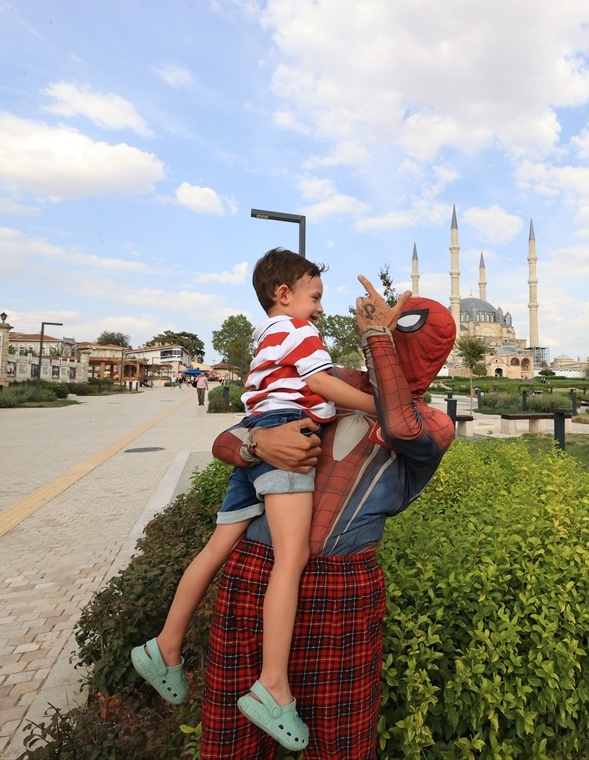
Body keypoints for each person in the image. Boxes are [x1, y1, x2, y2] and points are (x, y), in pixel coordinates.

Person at [200, 278, 457, 760]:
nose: (388, 336)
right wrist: (256, 446)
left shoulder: (433, 426)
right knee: (231, 739)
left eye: (397, 330)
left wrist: (378, 338)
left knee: (340, 741)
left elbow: (398, 421)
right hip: (259, 565)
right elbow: (226, 440)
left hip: (342, 586)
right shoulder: (330, 384)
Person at [133, 250, 377, 752]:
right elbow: (320, 382)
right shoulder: (299, 331)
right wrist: (382, 406)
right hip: (284, 434)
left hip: (255, 430)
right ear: (283, 295)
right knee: (292, 558)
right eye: (315, 297)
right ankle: (272, 685)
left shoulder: (266, 333)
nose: (320, 308)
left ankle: (166, 644)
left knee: (216, 547)